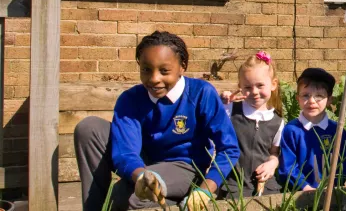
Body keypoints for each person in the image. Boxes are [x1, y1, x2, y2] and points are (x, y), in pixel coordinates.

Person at [73, 31, 240, 211]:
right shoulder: (130, 99)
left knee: (124, 196)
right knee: (89, 128)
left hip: (184, 167)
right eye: (146, 69)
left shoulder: (201, 94)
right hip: (144, 164)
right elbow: (125, 152)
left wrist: (206, 190)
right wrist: (142, 177)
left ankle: (175, 198)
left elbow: (228, 148)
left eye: (164, 71)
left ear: (182, 66)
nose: (154, 79)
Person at [218, 51, 285, 198]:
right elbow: (209, 112)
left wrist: (272, 164)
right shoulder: (231, 110)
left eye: (260, 85)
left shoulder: (277, 122)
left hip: (263, 187)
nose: (254, 92)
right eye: (247, 87)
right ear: (240, 86)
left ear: (273, 85)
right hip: (233, 186)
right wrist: (222, 99)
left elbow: (274, 152)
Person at [277, 68, 346, 191]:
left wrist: (336, 184)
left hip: (332, 193)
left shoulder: (337, 131)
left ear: (329, 100)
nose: (311, 101)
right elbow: (288, 167)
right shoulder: (291, 130)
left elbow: (345, 162)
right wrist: (305, 188)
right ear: (298, 98)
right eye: (306, 95)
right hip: (300, 194)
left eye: (319, 96)